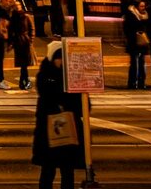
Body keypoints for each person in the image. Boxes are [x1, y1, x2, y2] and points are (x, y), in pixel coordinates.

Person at [31, 41, 85, 189]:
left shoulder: (72, 76)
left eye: (63, 58)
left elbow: (82, 105)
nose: (61, 61)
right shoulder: (45, 76)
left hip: (68, 130)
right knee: (48, 170)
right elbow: (48, 97)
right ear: (52, 58)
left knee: (67, 171)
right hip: (49, 131)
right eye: (58, 57)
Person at [123, 0, 151, 89]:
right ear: (136, 7)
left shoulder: (145, 15)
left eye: (144, 6)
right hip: (133, 41)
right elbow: (127, 28)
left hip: (142, 41)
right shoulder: (131, 15)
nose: (143, 8)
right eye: (141, 6)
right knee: (134, 63)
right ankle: (132, 83)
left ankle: (141, 82)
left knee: (142, 62)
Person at [9, 0, 36, 90]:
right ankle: (25, 81)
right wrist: (11, 42)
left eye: (18, 5)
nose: (17, 7)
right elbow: (10, 30)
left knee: (25, 64)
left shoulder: (26, 16)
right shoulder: (12, 17)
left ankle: (23, 81)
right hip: (18, 42)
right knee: (23, 64)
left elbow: (32, 28)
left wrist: (30, 40)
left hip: (25, 41)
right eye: (15, 6)